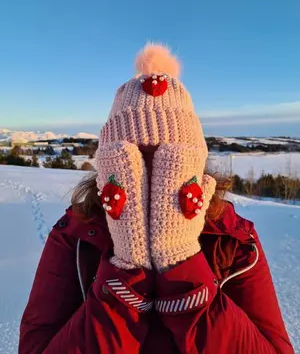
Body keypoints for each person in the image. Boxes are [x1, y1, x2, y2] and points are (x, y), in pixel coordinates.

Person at [19, 44, 294, 354]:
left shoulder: (233, 239)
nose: (153, 176)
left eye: (168, 161)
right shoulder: (75, 235)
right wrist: (127, 266)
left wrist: (181, 261)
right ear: (111, 164)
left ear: (194, 165)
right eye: (136, 160)